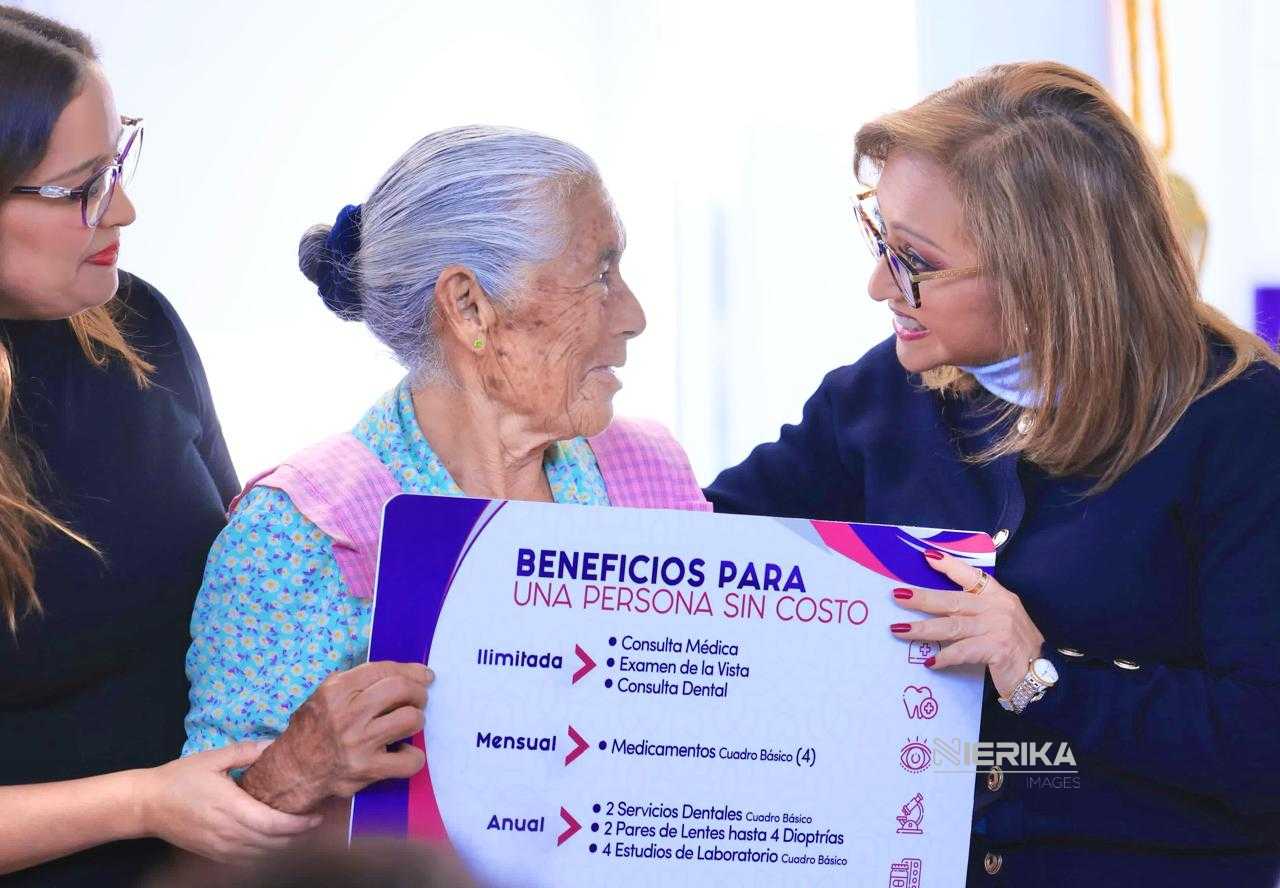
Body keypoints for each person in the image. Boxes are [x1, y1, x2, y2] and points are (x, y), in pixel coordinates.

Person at [705, 61, 1280, 886]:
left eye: (915, 261)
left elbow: (1262, 747)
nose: (878, 286)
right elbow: (710, 555)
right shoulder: (879, 393)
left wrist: (1039, 675)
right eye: (879, 240)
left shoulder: (1239, 422)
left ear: (1048, 272)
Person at [183, 126, 708, 817]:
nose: (634, 316)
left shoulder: (650, 473)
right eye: (601, 276)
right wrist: (296, 771)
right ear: (468, 307)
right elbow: (205, 849)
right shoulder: (303, 532)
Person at [0, 9, 318, 886]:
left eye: (120, 162)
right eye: (83, 186)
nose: (126, 208)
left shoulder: (135, 323)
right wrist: (140, 801)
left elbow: (237, 583)